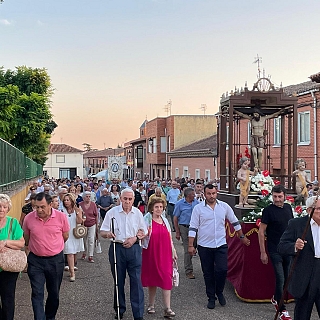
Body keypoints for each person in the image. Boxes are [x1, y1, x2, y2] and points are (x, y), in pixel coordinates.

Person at [188, 184, 250, 309]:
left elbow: (235, 221)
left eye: (213, 193)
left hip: (220, 244)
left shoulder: (224, 207)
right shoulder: (198, 209)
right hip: (204, 246)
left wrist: (242, 237)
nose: (211, 196)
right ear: (204, 194)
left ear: (217, 193)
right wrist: (190, 245)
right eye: (209, 194)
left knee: (222, 270)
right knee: (208, 273)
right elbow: (193, 227)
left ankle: (219, 291)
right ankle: (211, 297)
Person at [100, 188, 147, 320]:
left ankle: (138, 314)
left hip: (134, 248)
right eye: (125, 199)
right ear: (120, 198)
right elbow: (103, 231)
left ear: (133, 200)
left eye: (130, 199)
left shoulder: (137, 213)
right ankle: (119, 309)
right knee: (118, 281)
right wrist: (108, 234)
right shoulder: (112, 213)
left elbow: (143, 231)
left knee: (136, 281)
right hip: (117, 248)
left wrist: (135, 238)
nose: (127, 201)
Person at [23, 192, 69, 320]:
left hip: (55, 260)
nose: (39, 210)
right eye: (36, 207)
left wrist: (52, 247)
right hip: (36, 260)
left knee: (54, 293)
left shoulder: (61, 217)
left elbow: (65, 236)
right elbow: (26, 238)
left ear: (50, 205)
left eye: (42, 207)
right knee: (37, 292)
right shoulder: (29, 218)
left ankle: (50, 317)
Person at [278, 196, 320, 320]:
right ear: (309, 210)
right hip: (304, 276)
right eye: (319, 209)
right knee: (302, 315)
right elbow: (281, 247)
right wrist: (294, 246)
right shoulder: (297, 224)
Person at [258, 185, 293, 320]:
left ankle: (276, 297)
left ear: (284, 196)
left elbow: (290, 228)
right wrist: (263, 252)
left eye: (280, 196)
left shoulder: (288, 208)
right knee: (280, 278)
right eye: (275, 196)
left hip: (288, 249)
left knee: (286, 278)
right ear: (272, 196)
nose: (277, 199)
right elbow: (261, 232)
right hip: (275, 250)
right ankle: (282, 308)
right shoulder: (268, 210)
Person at [141, 198, 177, 318]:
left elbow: (169, 237)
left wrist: (173, 250)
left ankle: (167, 308)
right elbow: (142, 233)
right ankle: (151, 305)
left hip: (165, 253)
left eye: (161, 207)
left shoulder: (165, 220)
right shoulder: (147, 220)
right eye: (156, 207)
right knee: (152, 279)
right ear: (151, 208)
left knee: (167, 278)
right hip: (151, 253)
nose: (159, 209)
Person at [0, 194, 25, 320]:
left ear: (8, 209)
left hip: (8, 267)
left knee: (8, 298)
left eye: (4, 207)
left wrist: (5, 243)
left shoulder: (13, 223)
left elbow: (21, 243)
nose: (1, 209)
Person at [173, 187, 199, 279]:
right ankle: (189, 270)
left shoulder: (197, 203)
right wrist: (177, 232)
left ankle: (190, 262)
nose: (194, 195)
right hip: (184, 228)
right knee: (188, 249)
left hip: (195, 228)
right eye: (193, 194)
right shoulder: (180, 204)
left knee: (194, 247)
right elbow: (175, 218)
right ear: (188, 195)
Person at [62, 193, 85, 281]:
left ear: (72, 201)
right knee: (70, 253)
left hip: (75, 233)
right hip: (67, 234)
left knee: (74, 253)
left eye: (68, 200)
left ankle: (72, 267)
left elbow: (79, 221)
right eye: (65, 200)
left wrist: (78, 212)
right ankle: (72, 273)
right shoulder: (62, 211)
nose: (66, 202)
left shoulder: (77, 209)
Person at [79, 191, 98, 263]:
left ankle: (90, 255)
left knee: (91, 240)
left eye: (89, 196)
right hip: (83, 224)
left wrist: (97, 224)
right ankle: (84, 253)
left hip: (92, 223)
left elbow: (96, 215)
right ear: (83, 198)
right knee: (84, 240)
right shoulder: (80, 204)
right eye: (86, 196)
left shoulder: (93, 204)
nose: (88, 198)